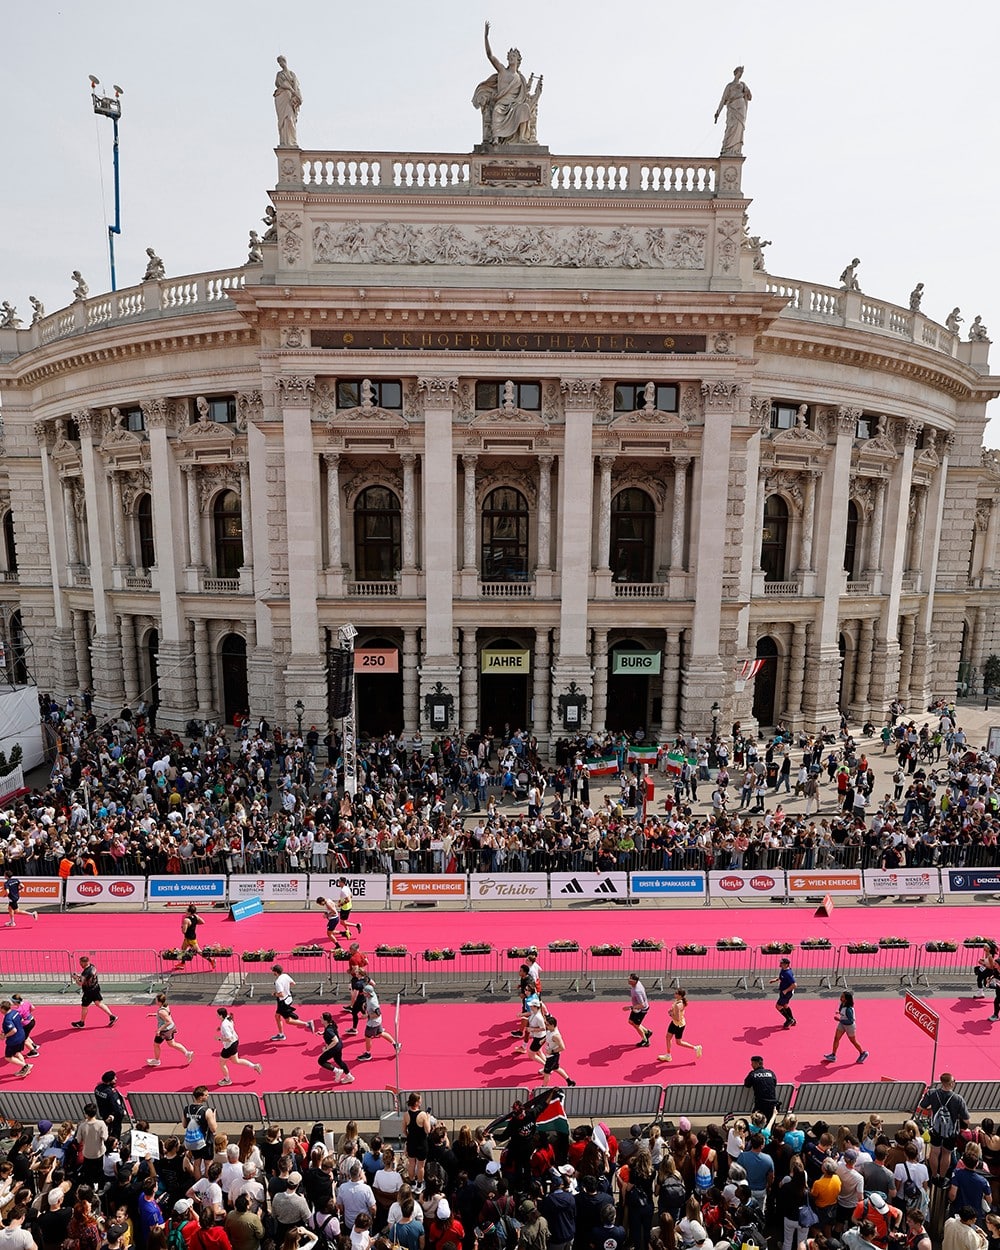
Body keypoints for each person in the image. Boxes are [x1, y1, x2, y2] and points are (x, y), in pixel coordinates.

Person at [476, 21, 535, 145]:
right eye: (510, 56)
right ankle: (496, 138)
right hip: (502, 104)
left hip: (515, 104)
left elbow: (524, 96)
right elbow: (490, 56)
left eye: (514, 56)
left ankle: (522, 138)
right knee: (497, 110)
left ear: (518, 60)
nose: (511, 58)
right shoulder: (502, 70)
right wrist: (486, 37)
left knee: (524, 108)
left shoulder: (520, 78)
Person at [917, 1073, 970, 1184]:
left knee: (934, 1152)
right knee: (947, 1153)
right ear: (951, 1083)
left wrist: (933, 1109)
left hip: (936, 1128)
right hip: (951, 1131)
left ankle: (934, 1175)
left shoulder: (932, 1094)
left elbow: (921, 1106)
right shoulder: (958, 1099)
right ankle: (942, 1177)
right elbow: (966, 1120)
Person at [216, 1008, 263, 1084]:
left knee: (222, 1063)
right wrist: (220, 1028)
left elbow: (229, 1038)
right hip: (235, 1042)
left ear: (221, 1015)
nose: (216, 1016)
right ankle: (254, 1066)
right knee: (236, 1061)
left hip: (229, 1046)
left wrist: (219, 1038)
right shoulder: (228, 1018)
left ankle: (227, 1080)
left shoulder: (224, 1025)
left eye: (217, 1015)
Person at [147, 993, 195, 1068]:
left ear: (159, 1002)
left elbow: (167, 1021)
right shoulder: (165, 1006)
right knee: (172, 1044)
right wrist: (154, 1015)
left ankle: (157, 1060)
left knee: (156, 1044)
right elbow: (165, 1015)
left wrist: (159, 1030)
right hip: (171, 1028)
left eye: (156, 1000)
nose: (155, 1000)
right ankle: (187, 1053)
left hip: (165, 1031)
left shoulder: (161, 1011)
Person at [71, 955, 118, 1028]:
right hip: (95, 988)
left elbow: (80, 983)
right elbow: (87, 978)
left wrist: (75, 978)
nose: (80, 965)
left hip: (89, 991)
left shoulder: (85, 973)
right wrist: (79, 977)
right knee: (99, 1003)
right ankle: (112, 1016)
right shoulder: (92, 967)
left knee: (84, 1006)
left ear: (84, 963)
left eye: (81, 963)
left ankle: (82, 1022)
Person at [657, 988, 702, 1064]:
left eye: (676, 993)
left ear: (680, 995)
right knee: (668, 1037)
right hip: (674, 1023)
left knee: (679, 1042)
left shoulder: (679, 1005)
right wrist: (671, 1011)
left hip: (678, 1025)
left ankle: (696, 1048)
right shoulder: (677, 1001)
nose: (674, 994)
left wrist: (670, 1014)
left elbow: (677, 1018)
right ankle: (668, 1055)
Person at [714, 66, 752, 155]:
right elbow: (723, 99)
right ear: (735, 73)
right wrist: (718, 112)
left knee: (739, 127)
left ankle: (736, 149)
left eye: (742, 72)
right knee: (731, 127)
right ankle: (727, 148)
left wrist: (747, 92)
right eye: (739, 72)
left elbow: (750, 96)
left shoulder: (743, 85)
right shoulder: (729, 86)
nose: (741, 74)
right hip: (732, 107)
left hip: (741, 107)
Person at [271, 965, 316, 1040]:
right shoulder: (285, 975)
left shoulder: (278, 982)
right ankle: (281, 1034)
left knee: (288, 1021)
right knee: (277, 1016)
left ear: (275, 972)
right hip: (288, 999)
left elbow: (281, 994)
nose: (272, 972)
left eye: (273, 971)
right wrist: (286, 987)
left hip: (283, 1002)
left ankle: (307, 1024)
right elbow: (293, 983)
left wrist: (274, 994)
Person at [356, 984, 399, 1062]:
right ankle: (395, 1044)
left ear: (368, 994)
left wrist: (367, 1015)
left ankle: (368, 1054)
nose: (363, 993)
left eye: (365, 992)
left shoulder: (373, 1003)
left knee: (367, 1037)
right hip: (377, 1021)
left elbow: (378, 1013)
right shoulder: (372, 994)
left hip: (372, 1023)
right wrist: (365, 1004)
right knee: (381, 1033)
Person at [823, 991, 869, 1064]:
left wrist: (839, 1019)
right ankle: (833, 1055)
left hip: (849, 1026)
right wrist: (839, 1013)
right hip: (842, 1023)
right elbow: (841, 1011)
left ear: (846, 999)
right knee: (836, 1038)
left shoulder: (848, 1009)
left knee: (853, 1041)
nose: (840, 998)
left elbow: (850, 1021)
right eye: (841, 996)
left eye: (842, 997)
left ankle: (863, 1053)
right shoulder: (842, 1004)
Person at [539, 1014, 576, 1087]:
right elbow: (548, 1036)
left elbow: (562, 1047)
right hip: (550, 1055)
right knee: (556, 1068)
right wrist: (543, 1040)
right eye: (545, 1024)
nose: (546, 1026)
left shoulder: (556, 1036)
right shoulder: (550, 1030)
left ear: (553, 1025)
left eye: (547, 1024)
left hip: (552, 1057)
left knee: (546, 1073)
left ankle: (543, 1088)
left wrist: (551, 1051)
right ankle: (569, 1081)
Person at [318, 1012, 353, 1084]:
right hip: (339, 1045)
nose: (320, 1019)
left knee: (321, 1061)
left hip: (334, 1047)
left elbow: (335, 1040)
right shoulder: (331, 1024)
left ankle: (337, 1071)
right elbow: (332, 1031)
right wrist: (323, 1033)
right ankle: (349, 1076)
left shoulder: (328, 1031)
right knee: (338, 1061)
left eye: (321, 1018)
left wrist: (326, 1049)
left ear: (325, 1020)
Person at [274, 56, 302, 147]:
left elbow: (296, 86)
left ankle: (292, 141)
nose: (281, 64)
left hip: (290, 99)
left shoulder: (292, 74)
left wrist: (296, 95)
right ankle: (284, 142)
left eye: (281, 62)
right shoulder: (279, 74)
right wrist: (288, 88)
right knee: (283, 120)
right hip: (282, 97)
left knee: (290, 119)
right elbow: (279, 83)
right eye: (279, 63)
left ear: (285, 61)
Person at [178, 905, 216, 971]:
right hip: (188, 938)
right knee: (183, 949)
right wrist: (194, 924)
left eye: (186, 909)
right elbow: (202, 922)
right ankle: (182, 963)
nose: (185, 910)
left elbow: (184, 931)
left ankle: (211, 960)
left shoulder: (186, 920)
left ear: (189, 912)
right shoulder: (196, 916)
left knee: (199, 952)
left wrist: (182, 926)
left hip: (191, 939)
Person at [404, 1093, 431, 1187]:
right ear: (416, 1102)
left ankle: (412, 1182)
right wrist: (427, 1119)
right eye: (420, 1100)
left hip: (411, 1143)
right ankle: (419, 1184)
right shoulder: (423, 1115)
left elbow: (404, 1130)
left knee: (411, 1163)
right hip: (421, 1143)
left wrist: (410, 1136)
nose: (421, 1101)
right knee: (420, 1166)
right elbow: (428, 1130)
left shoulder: (406, 1114)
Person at [1, 999, 32, 1078]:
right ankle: (24, 1070)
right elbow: (21, 1020)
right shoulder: (15, 1012)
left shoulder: (7, 1019)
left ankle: (25, 1066)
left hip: (14, 1040)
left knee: (8, 1057)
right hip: (22, 1035)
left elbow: (13, 1030)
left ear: (3, 1009)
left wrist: (5, 1035)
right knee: (17, 1053)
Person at [744, 1056, 779, 1121]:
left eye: (752, 1063)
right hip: (772, 1104)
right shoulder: (770, 1072)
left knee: (756, 1121)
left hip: (760, 1104)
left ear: (757, 1063)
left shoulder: (753, 1074)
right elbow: (774, 1083)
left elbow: (747, 1084)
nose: (751, 1065)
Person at [95, 1069, 128, 1138]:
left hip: (104, 1114)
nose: (116, 1079)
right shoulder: (112, 1093)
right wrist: (122, 1112)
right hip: (113, 1116)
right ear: (109, 1081)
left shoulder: (97, 1088)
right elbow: (117, 1107)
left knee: (106, 1130)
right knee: (115, 1133)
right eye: (114, 1078)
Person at [624, 974, 653, 1047]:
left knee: (636, 1025)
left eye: (630, 979)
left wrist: (629, 1007)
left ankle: (645, 1041)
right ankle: (647, 1032)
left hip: (641, 1010)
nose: (628, 980)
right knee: (631, 1022)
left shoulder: (637, 991)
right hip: (636, 1008)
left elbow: (642, 1005)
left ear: (635, 981)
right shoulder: (637, 983)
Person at [770, 957, 797, 1029]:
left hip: (786, 993)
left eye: (782, 963)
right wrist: (775, 980)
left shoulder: (788, 973)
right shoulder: (783, 970)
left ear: (786, 965)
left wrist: (786, 990)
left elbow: (794, 985)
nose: (780, 964)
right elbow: (782, 977)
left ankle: (789, 1020)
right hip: (783, 991)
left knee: (778, 1006)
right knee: (785, 1005)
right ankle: (793, 1020)